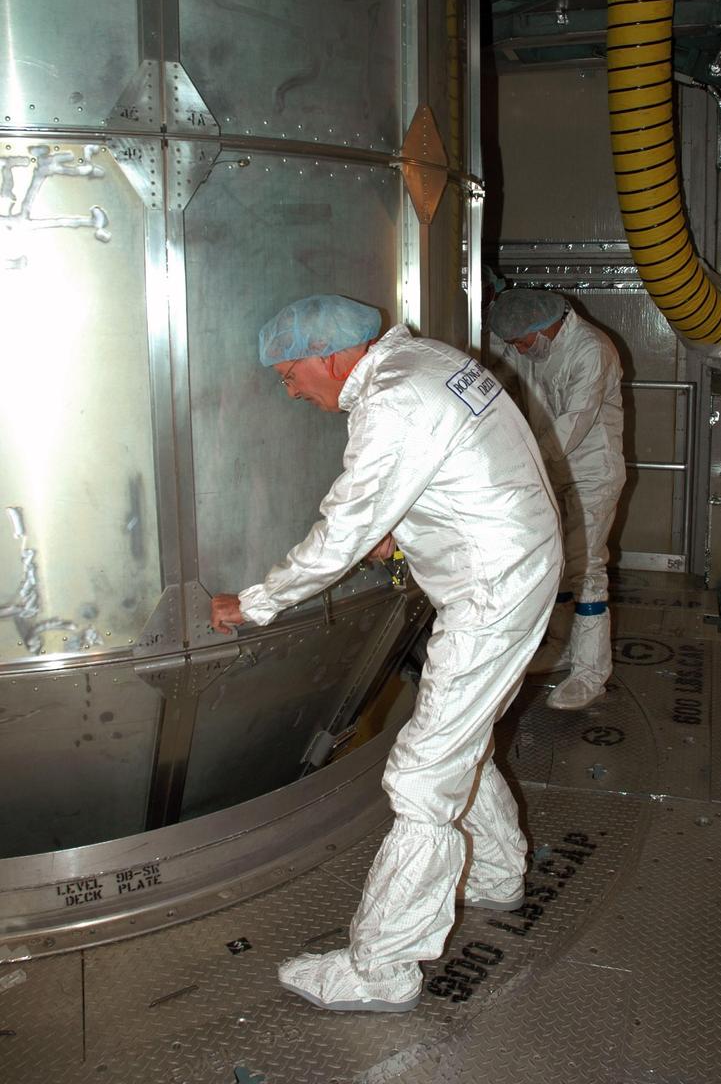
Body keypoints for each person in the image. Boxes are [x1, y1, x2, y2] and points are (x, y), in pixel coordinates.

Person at [211, 294, 562, 1014]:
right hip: (514, 563)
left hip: (491, 590)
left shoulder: (394, 400)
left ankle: (382, 968)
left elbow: (342, 530)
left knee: (422, 777)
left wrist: (254, 602)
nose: (291, 391)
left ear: (327, 356)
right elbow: (460, 459)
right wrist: (402, 525)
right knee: (456, 740)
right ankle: (496, 872)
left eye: (289, 375)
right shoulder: (424, 361)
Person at [488, 288, 625, 712]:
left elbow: (573, 423)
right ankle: (561, 648)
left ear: (545, 326)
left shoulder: (591, 350)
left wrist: (523, 464)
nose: (518, 350)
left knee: (586, 566)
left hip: (591, 471)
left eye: (522, 342)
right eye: (512, 344)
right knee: (556, 560)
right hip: (550, 468)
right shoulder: (530, 345)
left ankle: (590, 673)